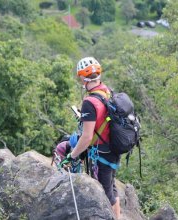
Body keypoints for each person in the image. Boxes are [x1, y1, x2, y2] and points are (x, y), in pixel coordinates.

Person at [60, 57, 121, 219]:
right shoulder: (107, 91)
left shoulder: (89, 101)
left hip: (102, 152)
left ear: (83, 77)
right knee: (111, 188)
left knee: (105, 192)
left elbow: (86, 137)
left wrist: (71, 156)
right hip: (114, 146)